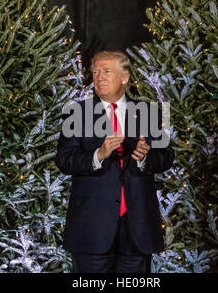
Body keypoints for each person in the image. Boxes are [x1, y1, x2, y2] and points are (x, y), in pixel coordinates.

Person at [55, 50, 174, 273]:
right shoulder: (75, 113)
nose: (99, 77)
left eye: (107, 71)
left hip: (137, 228)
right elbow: (63, 159)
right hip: (92, 229)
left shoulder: (150, 112)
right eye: (95, 72)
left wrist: (145, 158)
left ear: (125, 77)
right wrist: (98, 155)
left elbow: (167, 156)